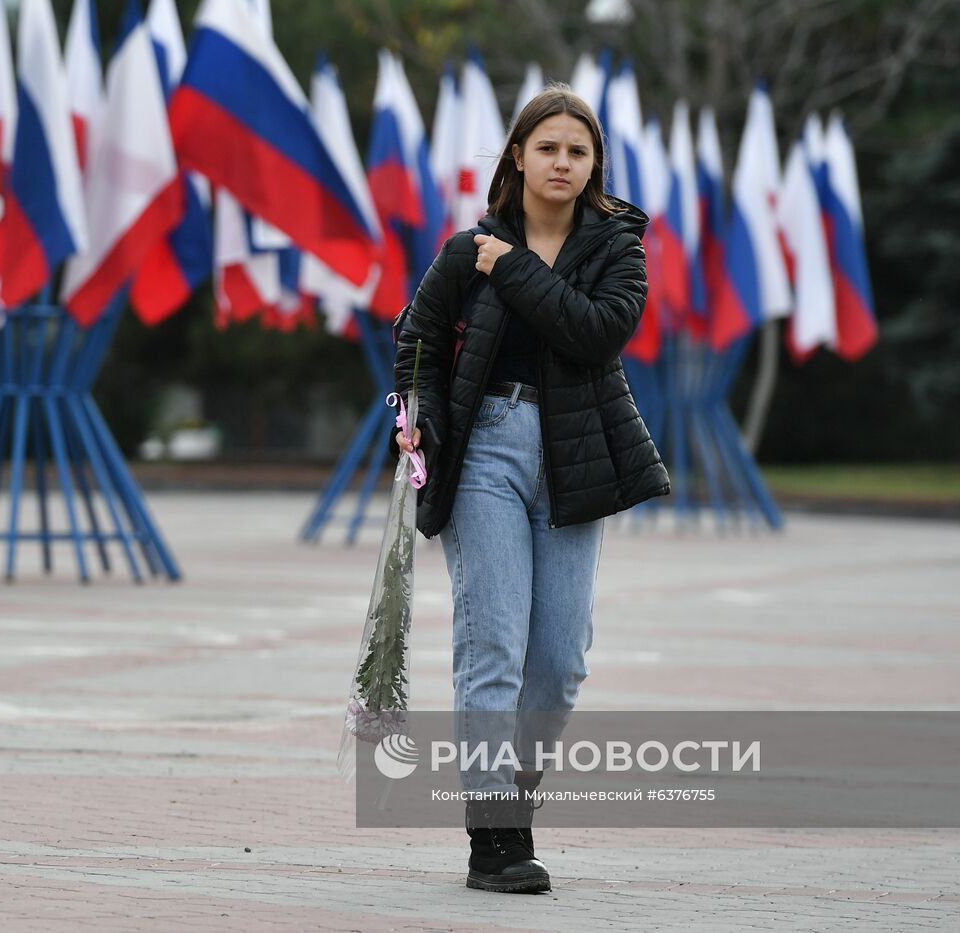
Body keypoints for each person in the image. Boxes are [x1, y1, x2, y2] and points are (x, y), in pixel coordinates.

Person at [393, 83, 670, 893]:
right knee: (494, 642)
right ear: (519, 155)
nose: (562, 162)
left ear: (593, 166)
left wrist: (512, 268)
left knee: (559, 661)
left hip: (574, 457)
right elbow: (414, 343)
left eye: (577, 151)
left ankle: (510, 794)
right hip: (485, 450)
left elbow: (596, 331)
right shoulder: (462, 249)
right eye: (548, 147)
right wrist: (419, 416)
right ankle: (496, 836)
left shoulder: (616, 248)